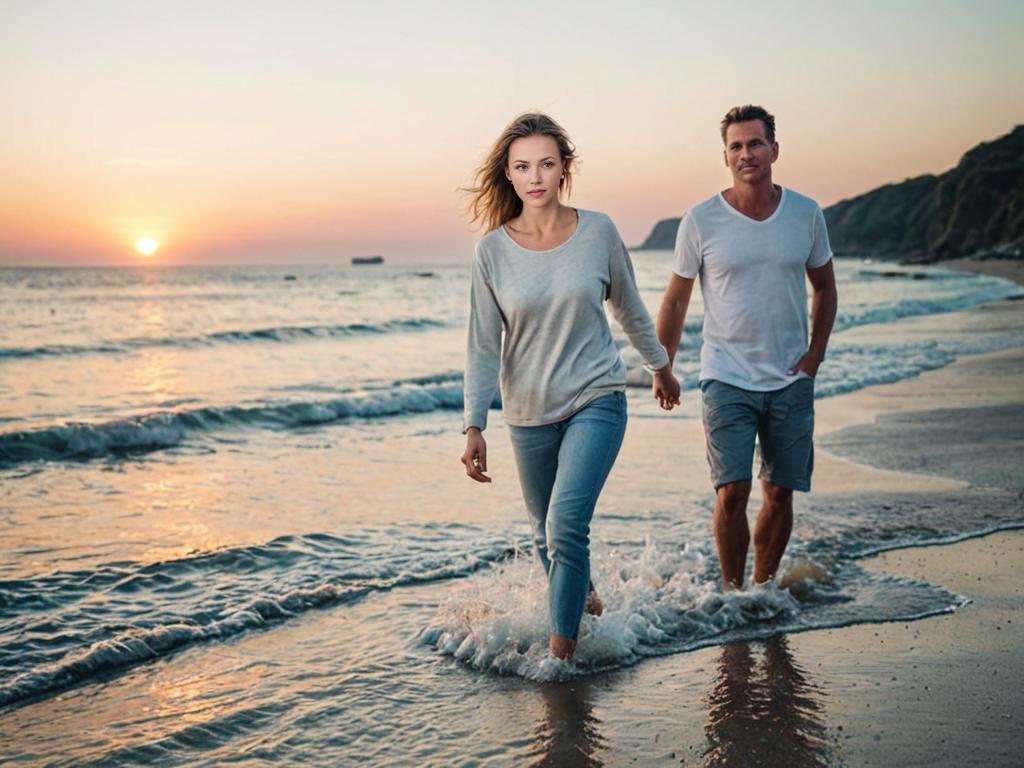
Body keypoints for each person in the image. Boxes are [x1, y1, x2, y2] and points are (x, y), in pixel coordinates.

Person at [460, 112, 680, 659]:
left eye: (546, 164)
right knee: (543, 535)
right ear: (508, 176)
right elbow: (483, 346)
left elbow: (629, 309)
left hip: (595, 397)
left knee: (564, 526)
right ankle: (586, 601)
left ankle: (561, 662)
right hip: (528, 412)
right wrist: (474, 425)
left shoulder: (598, 232)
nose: (535, 176)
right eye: (522, 167)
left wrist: (659, 366)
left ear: (564, 169)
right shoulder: (491, 252)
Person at [655, 105, 838, 590]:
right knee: (732, 490)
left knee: (779, 492)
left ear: (774, 150)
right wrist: (662, 365)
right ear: (725, 156)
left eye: (755, 143)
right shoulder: (700, 221)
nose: (746, 153)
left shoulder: (805, 214)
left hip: (790, 378)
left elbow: (825, 287)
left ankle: (761, 589)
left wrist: (814, 356)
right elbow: (676, 299)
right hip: (725, 375)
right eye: (736, 146)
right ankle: (733, 594)